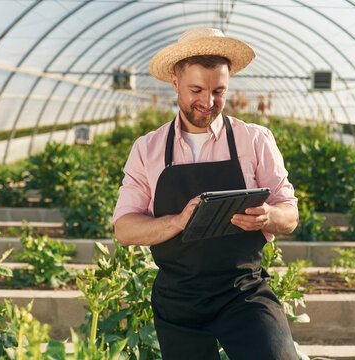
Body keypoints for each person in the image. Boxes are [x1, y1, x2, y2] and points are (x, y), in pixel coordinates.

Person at [113, 27, 299, 360]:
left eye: (219, 91)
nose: (208, 102)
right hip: (178, 297)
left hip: (242, 290)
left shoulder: (255, 140)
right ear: (175, 82)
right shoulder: (148, 149)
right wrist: (178, 221)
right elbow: (124, 229)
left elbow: (290, 213)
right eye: (196, 89)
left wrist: (269, 216)